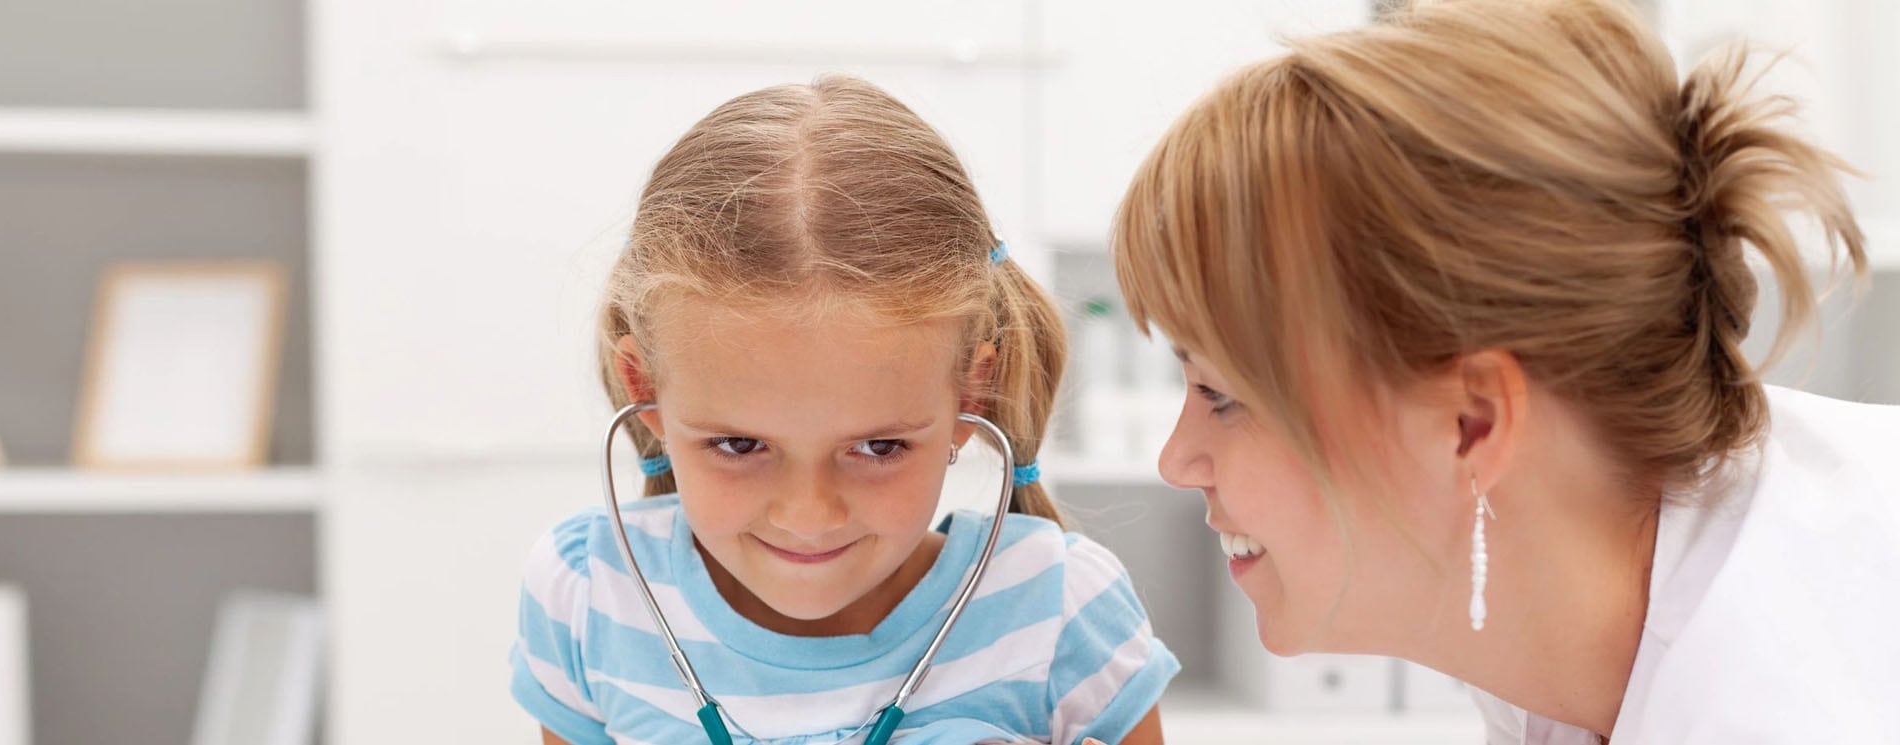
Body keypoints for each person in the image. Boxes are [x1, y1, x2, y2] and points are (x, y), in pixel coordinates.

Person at [1110, 0, 1899, 742]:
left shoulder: (1791, 704)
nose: (1176, 461)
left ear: (1470, 425)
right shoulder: (1570, 631)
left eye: (1222, 395)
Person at [510, 75, 1177, 745]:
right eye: (739, 445)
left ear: (970, 394)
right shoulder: (589, 595)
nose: (809, 514)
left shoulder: (1060, 610)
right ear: (643, 391)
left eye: (879, 447)